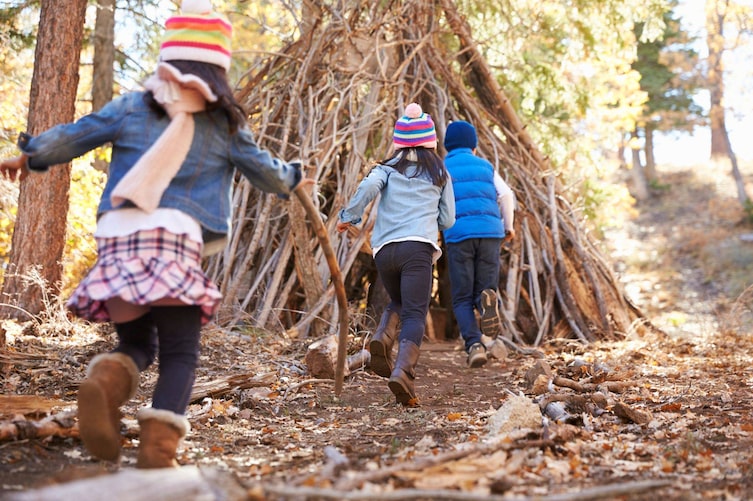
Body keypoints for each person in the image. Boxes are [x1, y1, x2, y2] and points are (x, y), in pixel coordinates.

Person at [0, 0, 308, 468]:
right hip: (173, 243)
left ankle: (104, 384)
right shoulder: (224, 125)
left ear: (168, 59)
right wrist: (292, 178)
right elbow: (267, 174)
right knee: (180, 352)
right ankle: (158, 449)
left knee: (136, 345)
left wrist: (27, 157)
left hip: (118, 239)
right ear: (218, 70)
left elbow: (77, 134)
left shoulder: (131, 106)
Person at [336, 103, 455, 406]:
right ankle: (403, 372)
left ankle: (382, 338)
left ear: (399, 141)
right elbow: (448, 220)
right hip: (417, 248)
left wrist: (349, 217)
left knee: (399, 302)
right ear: (430, 141)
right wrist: (431, 221)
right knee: (415, 312)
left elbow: (367, 188)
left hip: (384, 250)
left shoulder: (386, 169)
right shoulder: (440, 172)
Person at [442, 120, 515, 368]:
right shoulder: (486, 166)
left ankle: (474, 345)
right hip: (490, 232)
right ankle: (486, 302)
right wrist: (509, 226)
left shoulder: (443, 168)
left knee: (461, 297)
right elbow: (505, 194)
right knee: (484, 288)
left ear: (447, 145)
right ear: (473, 146)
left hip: (459, 234)